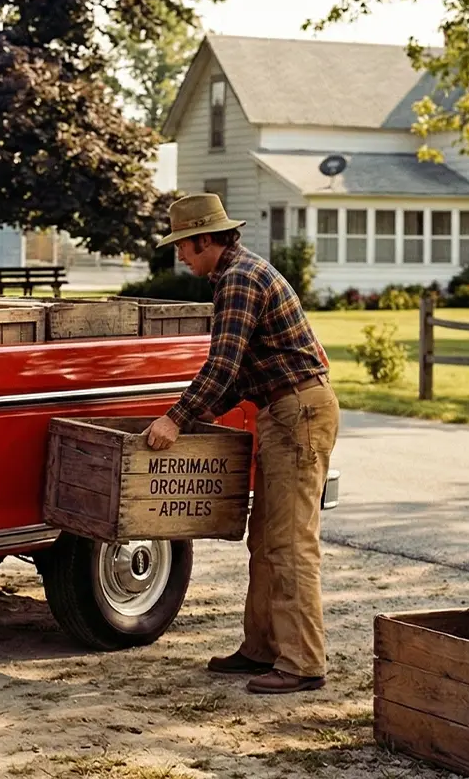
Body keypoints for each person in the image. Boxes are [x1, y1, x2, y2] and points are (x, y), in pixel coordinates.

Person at [141, 193, 340, 695]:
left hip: (297, 412)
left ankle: (303, 664)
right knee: (267, 542)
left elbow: (222, 367)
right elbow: (232, 378)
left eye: (184, 246)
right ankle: (261, 649)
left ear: (206, 239)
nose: (181, 257)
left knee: (292, 544)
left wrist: (175, 420)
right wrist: (191, 416)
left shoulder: (238, 278)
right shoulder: (236, 274)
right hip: (285, 410)